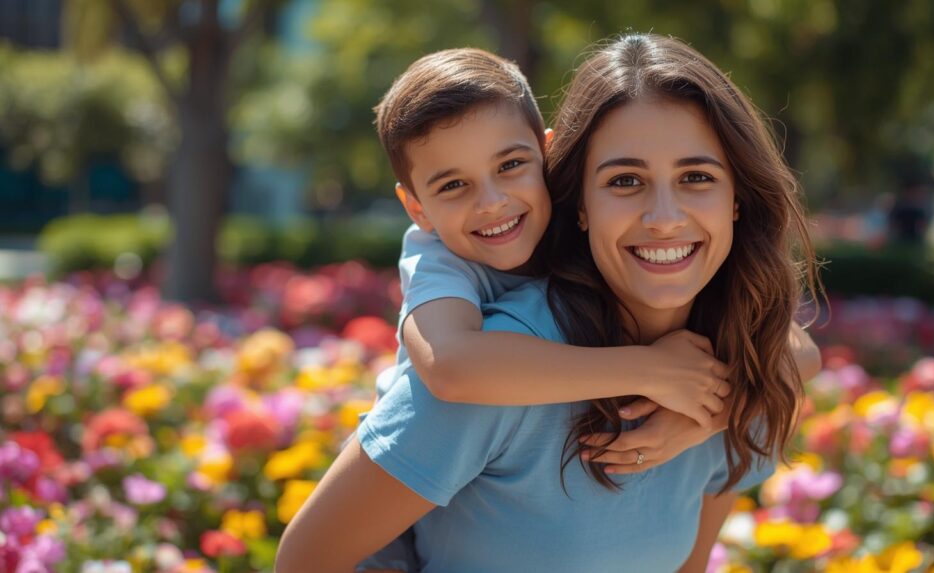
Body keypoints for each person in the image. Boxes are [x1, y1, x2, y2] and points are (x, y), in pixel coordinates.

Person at [277, 34, 821, 572]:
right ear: (580, 200)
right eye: (625, 180)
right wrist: (650, 372)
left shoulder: (739, 372)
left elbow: (799, 358)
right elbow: (306, 560)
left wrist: (715, 412)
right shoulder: (492, 363)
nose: (663, 217)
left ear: (738, 199)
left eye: (696, 177)